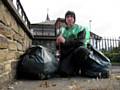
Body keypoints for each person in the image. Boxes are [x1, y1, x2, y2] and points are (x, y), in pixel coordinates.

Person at [56, 10, 91, 76]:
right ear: (65, 19)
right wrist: (57, 44)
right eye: (67, 17)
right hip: (67, 54)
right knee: (63, 72)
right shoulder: (62, 31)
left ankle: (80, 68)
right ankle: (72, 70)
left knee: (83, 50)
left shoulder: (80, 28)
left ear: (74, 19)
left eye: (71, 17)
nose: (69, 18)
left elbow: (80, 42)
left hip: (76, 53)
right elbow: (59, 48)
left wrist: (65, 41)